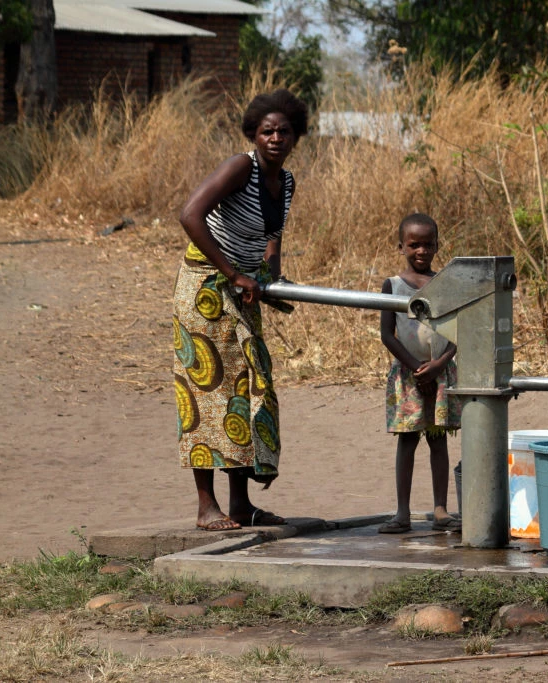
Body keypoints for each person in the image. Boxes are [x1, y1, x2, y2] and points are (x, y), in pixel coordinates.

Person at [174, 89, 307, 531]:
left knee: (246, 391)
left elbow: (273, 235)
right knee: (207, 393)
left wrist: (272, 279)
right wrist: (232, 273)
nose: (275, 138)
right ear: (253, 134)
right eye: (267, 131)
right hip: (206, 289)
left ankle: (240, 504)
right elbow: (190, 214)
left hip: (244, 290)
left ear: (296, 137)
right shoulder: (240, 167)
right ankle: (205, 506)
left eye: (284, 131)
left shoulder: (285, 182)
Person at [378, 213, 462, 533]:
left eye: (428, 245)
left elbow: (458, 331)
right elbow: (388, 334)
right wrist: (417, 370)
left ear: (438, 246)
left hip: (441, 373)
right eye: (414, 245)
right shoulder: (393, 285)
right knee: (408, 441)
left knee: (438, 440)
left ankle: (440, 509)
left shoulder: (446, 284)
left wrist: (439, 365)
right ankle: (402, 513)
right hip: (408, 375)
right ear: (401, 247)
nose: (422, 251)